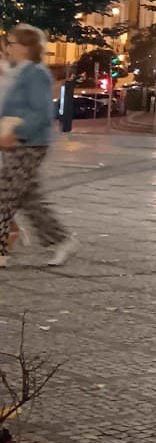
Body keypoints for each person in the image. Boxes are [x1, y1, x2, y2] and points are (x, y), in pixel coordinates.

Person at [0, 25, 75, 268]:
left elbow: (42, 112)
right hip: (19, 142)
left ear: (27, 47)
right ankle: (61, 239)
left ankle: (2, 251)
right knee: (28, 198)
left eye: (12, 43)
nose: (7, 47)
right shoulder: (20, 72)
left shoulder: (36, 73)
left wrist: (16, 132)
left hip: (29, 143)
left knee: (5, 195)